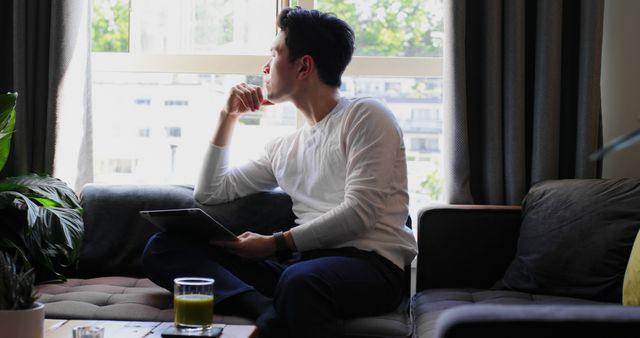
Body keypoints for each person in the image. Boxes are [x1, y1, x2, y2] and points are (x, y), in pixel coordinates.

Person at [143, 7, 417, 338]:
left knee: (301, 281)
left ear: (304, 66)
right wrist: (227, 116)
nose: (264, 68)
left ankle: (274, 314)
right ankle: (262, 307)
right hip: (300, 267)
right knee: (163, 246)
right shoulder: (284, 147)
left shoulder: (366, 115)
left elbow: (360, 212)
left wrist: (275, 243)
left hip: (371, 268)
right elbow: (210, 193)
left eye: (274, 55)